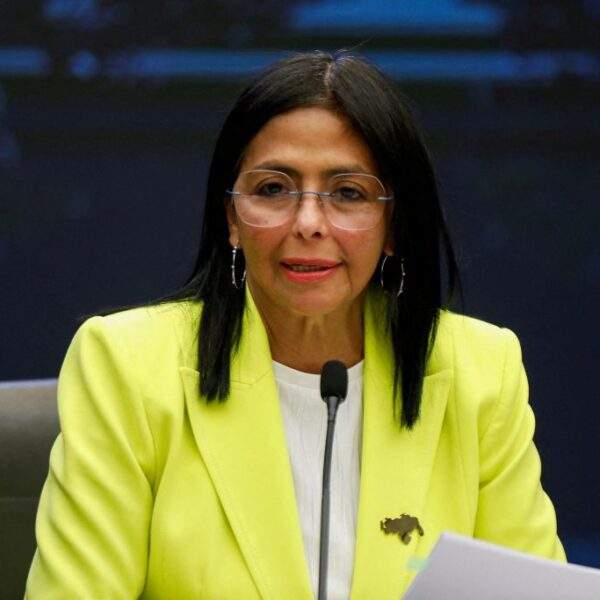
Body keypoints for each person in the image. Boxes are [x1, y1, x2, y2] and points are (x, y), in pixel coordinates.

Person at [25, 51, 565, 599]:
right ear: (232, 217)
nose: (308, 223)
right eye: (273, 189)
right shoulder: (128, 366)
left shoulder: (480, 371)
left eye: (348, 193)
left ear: (394, 224)